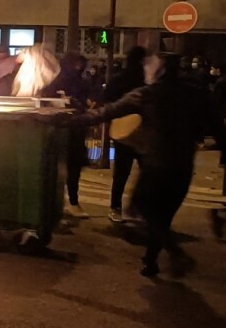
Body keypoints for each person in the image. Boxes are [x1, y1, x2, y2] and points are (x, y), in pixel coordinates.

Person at [68, 53, 213, 279]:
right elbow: (215, 123)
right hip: (183, 165)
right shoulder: (194, 94)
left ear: (159, 71)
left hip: (156, 165)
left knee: (142, 208)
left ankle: (173, 253)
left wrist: (72, 121)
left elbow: (108, 111)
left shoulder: (147, 94)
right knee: (163, 216)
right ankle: (151, 261)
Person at [44, 52, 94, 218]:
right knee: (59, 169)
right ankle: (57, 204)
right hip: (62, 130)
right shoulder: (57, 83)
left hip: (75, 130)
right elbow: (48, 103)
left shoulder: (81, 82)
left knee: (73, 169)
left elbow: (89, 98)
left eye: (80, 65)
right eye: (76, 64)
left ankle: (72, 202)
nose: (78, 68)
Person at [105, 46, 147, 222]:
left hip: (123, 129)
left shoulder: (119, 78)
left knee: (121, 172)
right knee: (146, 171)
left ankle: (116, 207)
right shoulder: (147, 80)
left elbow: (107, 99)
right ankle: (138, 208)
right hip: (143, 131)